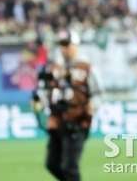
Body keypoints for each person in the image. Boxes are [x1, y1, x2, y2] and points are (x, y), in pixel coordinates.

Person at [32, 29, 105, 181]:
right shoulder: (54, 69)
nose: (64, 49)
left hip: (77, 122)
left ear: (76, 46)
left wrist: (93, 104)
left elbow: (99, 93)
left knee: (68, 167)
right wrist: (39, 101)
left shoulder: (87, 68)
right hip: (57, 123)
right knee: (52, 164)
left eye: (67, 45)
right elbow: (46, 92)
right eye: (61, 45)